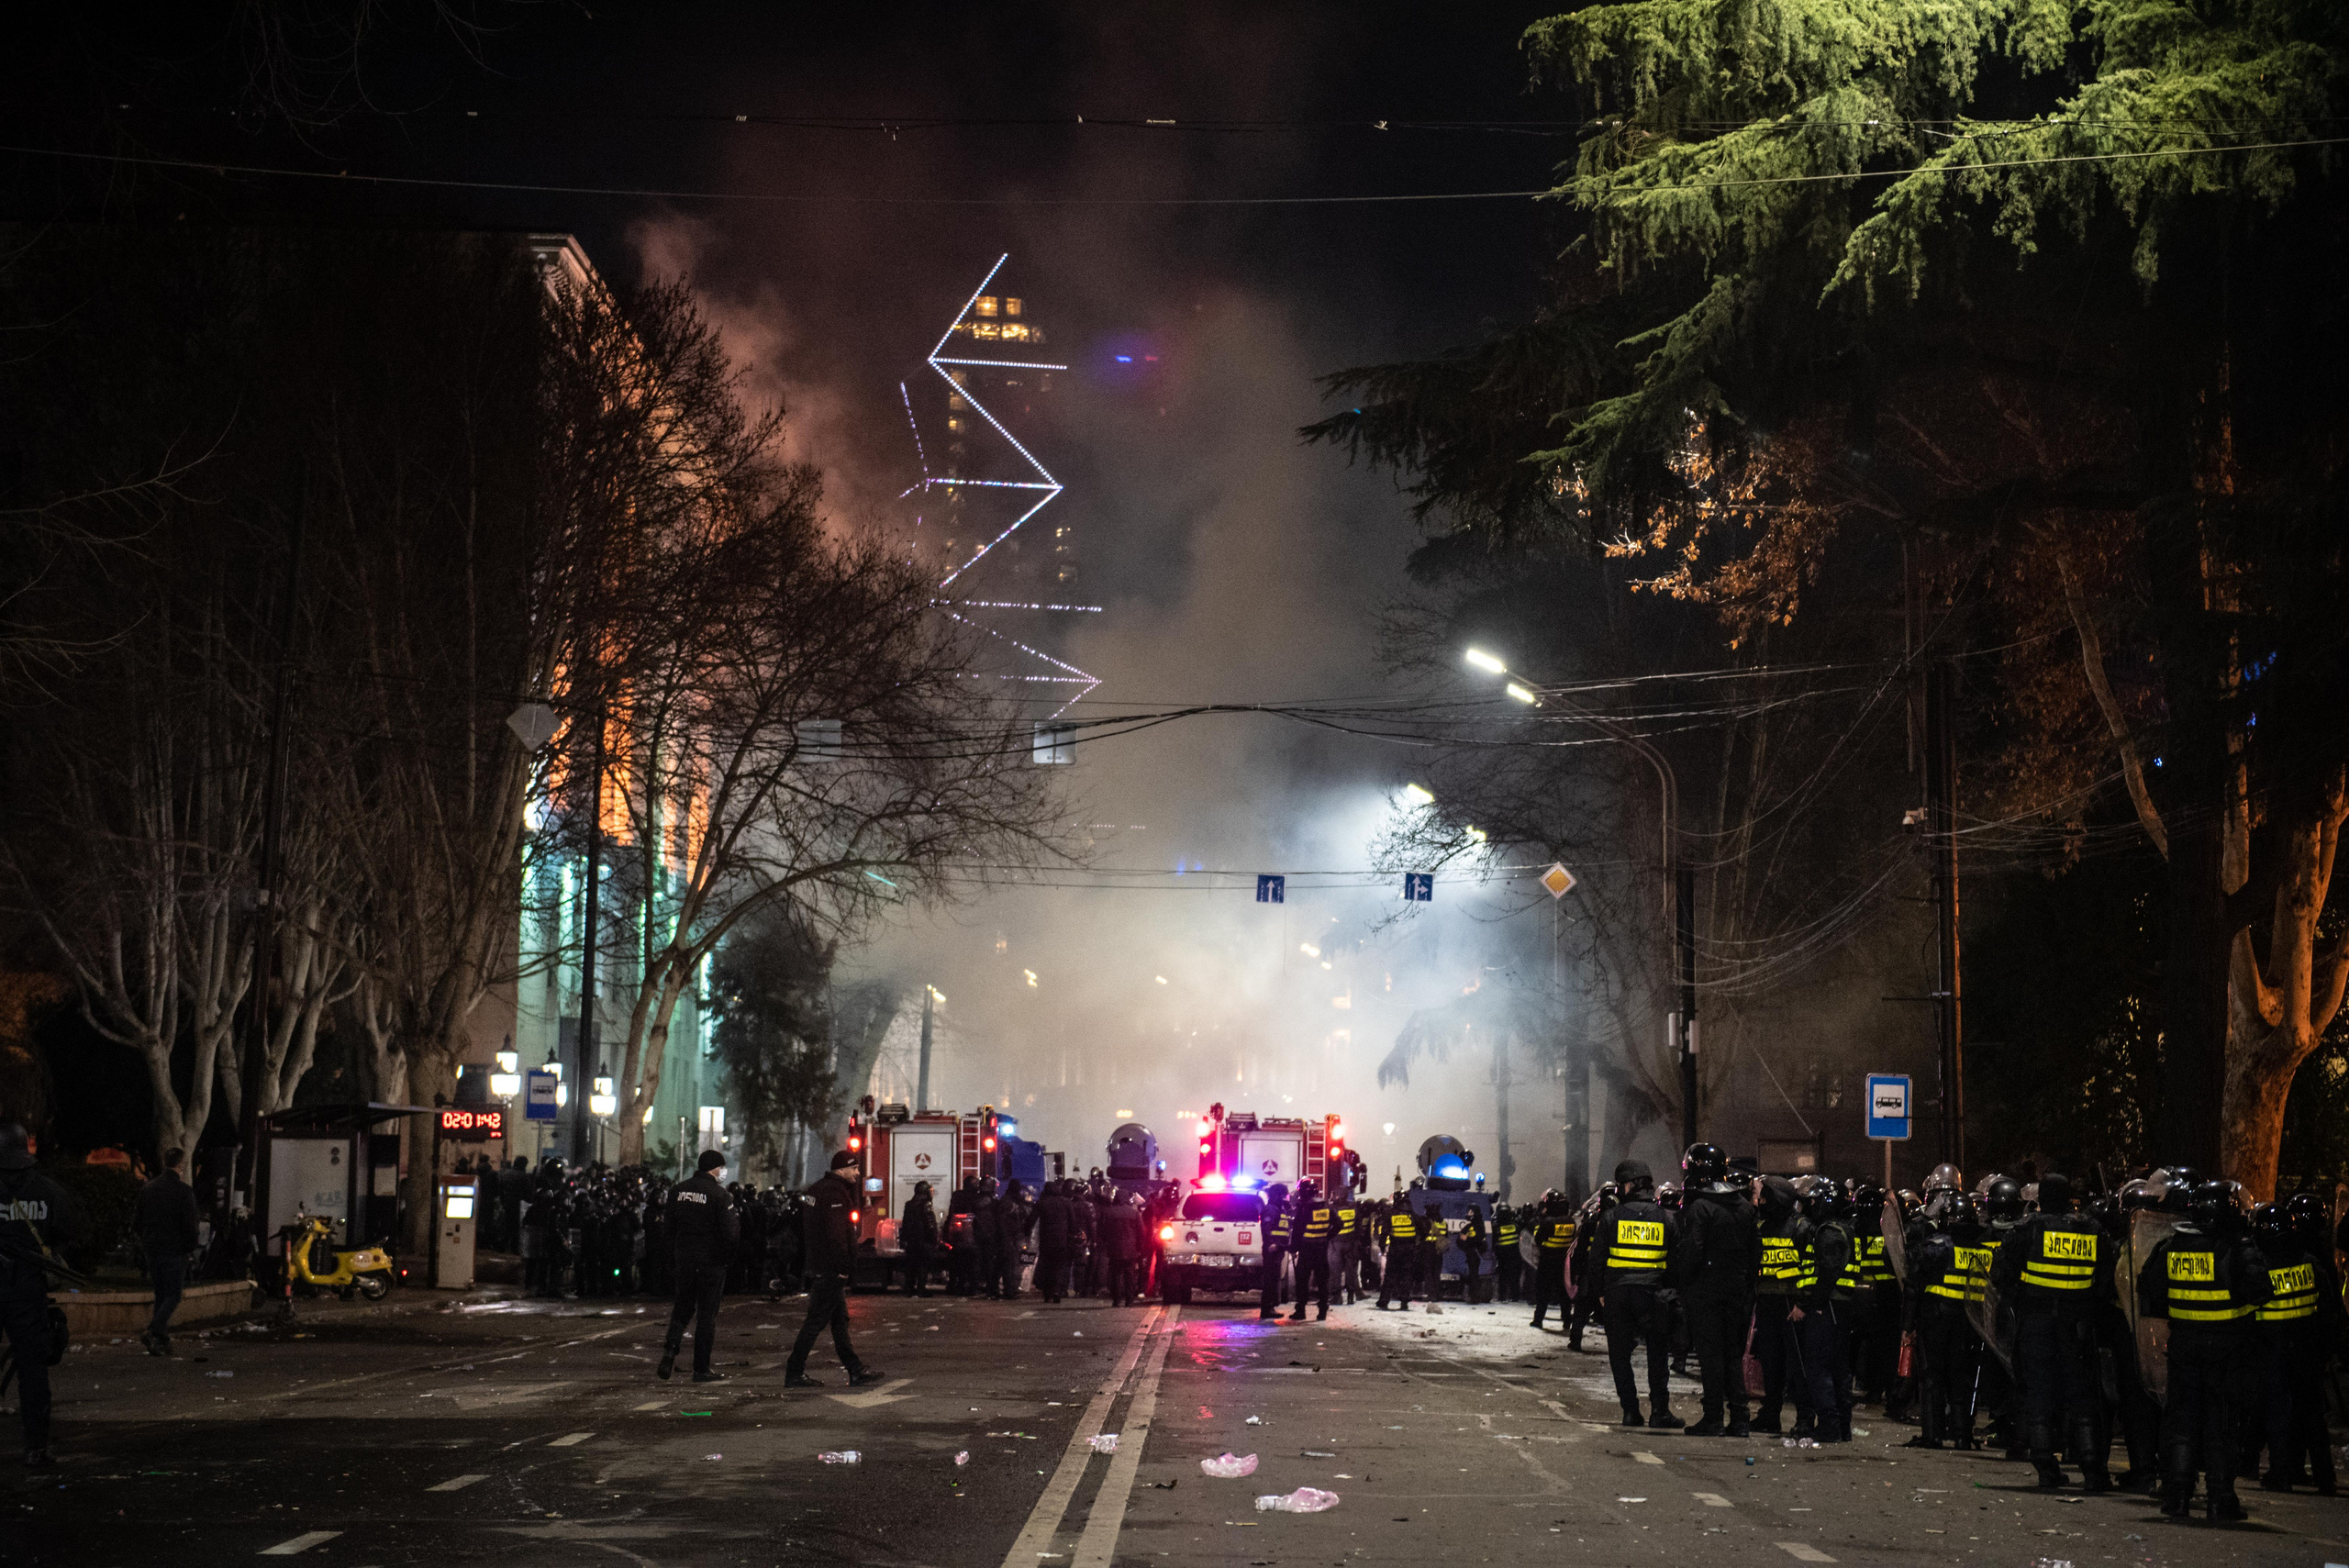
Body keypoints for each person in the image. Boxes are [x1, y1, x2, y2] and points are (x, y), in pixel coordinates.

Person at [2137, 1178, 2271, 1520]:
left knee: (2181, 1424)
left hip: (2183, 1348)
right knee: (2221, 1426)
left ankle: (2177, 1497)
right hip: (2227, 1352)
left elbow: (2148, 1290)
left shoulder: (2170, 1247)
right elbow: (2261, 1291)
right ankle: (2220, 1499)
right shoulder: (2238, 1248)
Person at [1989, 1171, 2115, 1491]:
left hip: (2036, 1324)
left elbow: (2000, 1274)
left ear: (2041, 1199)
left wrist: (2019, 1299)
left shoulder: (2027, 1229)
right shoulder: (2092, 1230)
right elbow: (2107, 1279)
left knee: (2039, 1394)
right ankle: (2093, 1471)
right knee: (2082, 1397)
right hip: (2077, 1327)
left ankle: (2046, 1468)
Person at [0, 1123, 86, 1468]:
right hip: (27, 1291)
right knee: (32, 1369)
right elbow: (70, 1232)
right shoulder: (47, 1190)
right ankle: (36, 1447)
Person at [2249, 1197, 2339, 1495]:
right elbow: (2328, 1311)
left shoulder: (2259, 1266)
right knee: (2313, 1415)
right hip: (2307, 1349)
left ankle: (2281, 1473)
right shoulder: (2311, 1264)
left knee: (2277, 1414)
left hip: (2271, 1349)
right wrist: (2326, 1350)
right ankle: (2325, 1478)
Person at [1672, 1142, 1757, 1436]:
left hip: (1706, 1293)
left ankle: (1713, 1418)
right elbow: (1754, 1254)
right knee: (1733, 1355)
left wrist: (1683, 1284)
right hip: (1737, 1292)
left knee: (1711, 1357)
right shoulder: (1744, 1207)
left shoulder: (1701, 1207)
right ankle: (1740, 1418)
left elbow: (1692, 1252)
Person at [787, 1151, 885, 1388]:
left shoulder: (816, 1189)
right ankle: (794, 1372)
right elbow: (836, 1234)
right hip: (830, 1268)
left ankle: (855, 1370)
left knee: (839, 1321)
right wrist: (843, 1267)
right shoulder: (834, 1193)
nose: (858, 1173)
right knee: (816, 1321)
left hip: (821, 1265)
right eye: (854, 1169)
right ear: (842, 1169)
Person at [1598, 1160, 1682, 1429]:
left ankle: (1630, 1411)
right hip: (1654, 1295)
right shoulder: (1666, 1218)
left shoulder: (1611, 1217)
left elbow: (1596, 1260)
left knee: (1619, 1355)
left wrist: (1600, 1292)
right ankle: (1660, 1412)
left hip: (1618, 1295)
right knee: (1657, 1354)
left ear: (1629, 1185)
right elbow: (1676, 1262)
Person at [659, 1150, 738, 1383]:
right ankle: (701, 1368)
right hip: (711, 1263)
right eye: (722, 1167)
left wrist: (672, 1257)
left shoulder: (677, 1191)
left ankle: (669, 1353)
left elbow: (668, 1229)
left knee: (682, 1309)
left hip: (684, 1260)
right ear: (714, 1168)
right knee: (706, 1315)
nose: (724, 1172)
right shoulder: (720, 1195)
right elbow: (731, 1233)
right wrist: (728, 1258)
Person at [133, 1147, 201, 1356]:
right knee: (173, 1295)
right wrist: (190, 1247)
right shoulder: (184, 1191)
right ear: (180, 1165)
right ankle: (154, 1330)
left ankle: (161, 1340)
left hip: (152, 1248)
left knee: (161, 1294)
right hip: (175, 1250)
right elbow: (190, 1224)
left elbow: (137, 1221)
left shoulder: (148, 1189)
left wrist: (146, 1239)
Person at [1286, 1180, 1335, 1322]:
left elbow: (1297, 1231)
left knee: (1302, 1282)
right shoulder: (1326, 1207)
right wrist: (1327, 1237)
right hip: (1321, 1250)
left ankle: (1301, 1311)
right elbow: (1339, 1224)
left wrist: (1294, 1248)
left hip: (1306, 1250)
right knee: (1322, 1282)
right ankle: (1322, 1312)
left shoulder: (1304, 1208)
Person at [1034, 1179, 1075, 1304]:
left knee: (1047, 1266)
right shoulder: (1066, 1203)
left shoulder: (1042, 1203)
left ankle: (1048, 1293)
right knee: (1059, 1266)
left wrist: (1026, 1231)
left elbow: (1032, 1219)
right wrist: (1072, 1235)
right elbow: (1072, 1221)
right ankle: (1057, 1290)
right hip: (1061, 1240)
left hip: (1046, 1240)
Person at [1104, 1190, 1146, 1307]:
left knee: (1116, 1274)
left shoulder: (1110, 1212)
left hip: (1115, 1248)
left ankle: (1116, 1300)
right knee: (1130, 1275)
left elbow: (1104, 1231)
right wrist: (1139, 1248)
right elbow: (1141, 1232)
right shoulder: (1134, 1213)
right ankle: (1129, 1300)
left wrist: (1107, 1245)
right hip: (1131, 1249)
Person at [1376, 1197, 1419, 1310]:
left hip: (1395, 1250)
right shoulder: (1413, 1216)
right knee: (1407, 1276)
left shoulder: (1391, 1215)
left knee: (1389, 1276)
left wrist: (1382, 1247)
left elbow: (1384, 1232)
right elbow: (1423, 1229)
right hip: (1409, 1251)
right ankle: (1404, 1302)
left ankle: (1384, 1301)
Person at [899, 1180, 940, 1297]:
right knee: (923, 1266)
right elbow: (930, 1224)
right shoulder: (926, 1204)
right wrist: (934, 1238)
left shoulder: (909, 1204)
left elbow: (905, 1223)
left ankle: (909, 1288)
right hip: (924, 1241)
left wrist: (904, 1239)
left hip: (912, 1241)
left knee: (911, 1265)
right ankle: (921, 1288)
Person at [1494, 1203, 1524, 1304]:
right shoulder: (1516, 1226)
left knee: (1503, 1277)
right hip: (1515, 1256)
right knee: (1514, 1278)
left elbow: (1494, 1242)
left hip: (1502, 1257)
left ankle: (1502, 1296)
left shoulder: (1496, 1227)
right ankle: (1515, 1296)